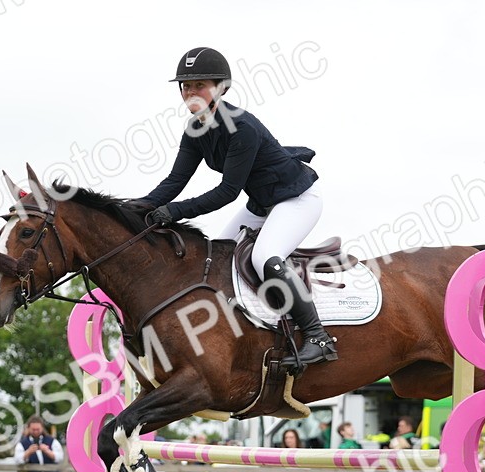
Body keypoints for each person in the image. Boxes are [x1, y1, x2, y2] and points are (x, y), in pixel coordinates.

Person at [131, 47, 334, 372]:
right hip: (262, 204)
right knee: (216, 257)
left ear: (220, 87)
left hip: (297, 199)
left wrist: (173, 212)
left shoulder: (241, 127)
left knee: (263, 257)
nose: (190, 92)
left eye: (199, 85)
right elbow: (175, 180)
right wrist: (134, 211)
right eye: (185, 85)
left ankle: (318, 337)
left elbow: (227, 192)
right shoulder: (194, 129)